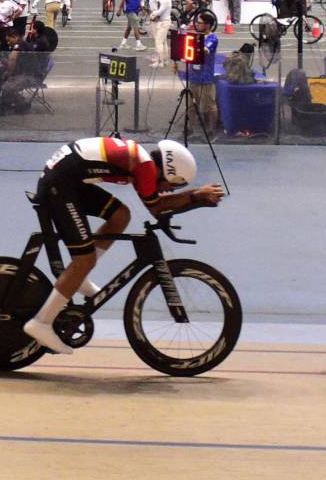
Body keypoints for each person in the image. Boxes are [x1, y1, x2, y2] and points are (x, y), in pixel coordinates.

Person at [22, 137, 221, 354]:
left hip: (68, 179)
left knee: (120, 215)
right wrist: (194, 196)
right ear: (168, 171)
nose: (168, 190)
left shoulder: (143, 162)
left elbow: (156, 201)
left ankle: (78, 278)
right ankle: (41, 323)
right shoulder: (145, 168)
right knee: (84, 260)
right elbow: (156, 207)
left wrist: (190, 197)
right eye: (173, 184)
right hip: (60, 185)